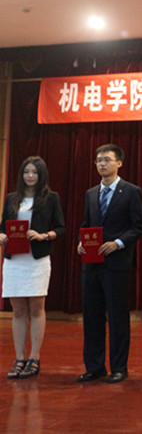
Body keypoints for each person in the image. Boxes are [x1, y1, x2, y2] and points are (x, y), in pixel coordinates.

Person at [76, 143, 142, 383]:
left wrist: (118, 243)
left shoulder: (131, 191)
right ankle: (94, 366)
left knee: (117, 317)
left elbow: (139, 226)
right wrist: (81, 242)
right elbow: (86, 225)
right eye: (98, 160)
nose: (102, 164)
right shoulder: (91, 193)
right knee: (92, 316)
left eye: (106, 159)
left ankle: (119, 367)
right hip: (91, 263)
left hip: (117, 264)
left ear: (119, 163)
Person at [0, 156, 65, 380]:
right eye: (26, 172)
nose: (30, 176)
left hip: (37, 260)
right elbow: (2, 226)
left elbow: (61, 228)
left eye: (34, 172)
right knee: (18, 310)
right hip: (14, 260)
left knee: (36, 308)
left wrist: (43, 236)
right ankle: (19, 358)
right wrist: (1, 236)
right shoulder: (11, 198)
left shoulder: (51, 198)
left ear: (41, 175)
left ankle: (34, 358)